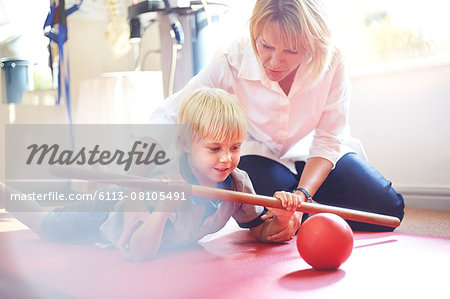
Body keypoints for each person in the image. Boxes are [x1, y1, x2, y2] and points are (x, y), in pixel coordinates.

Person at [149, 0, 405, 231]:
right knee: (270, 209)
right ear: (255, 34)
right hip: (260, 154)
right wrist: (159, 167)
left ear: (311, 45)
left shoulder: (333, 59)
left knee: (387, 207)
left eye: (291, 51)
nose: (273, 61)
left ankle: (303, 211)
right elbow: (172, 113)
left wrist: (302, 196)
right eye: (266, 45)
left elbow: (328, 139)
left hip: (314, 151)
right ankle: (298, 213)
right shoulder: (231, 58)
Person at [0, 87, 304, 262]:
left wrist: (279, 218)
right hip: (106, 213)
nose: (227, 158)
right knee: (44, 224)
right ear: (185, 144)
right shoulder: (163, 181)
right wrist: (163, 209)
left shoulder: (238, 182)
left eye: (235, 147)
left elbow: (257, 230)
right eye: (214, 148)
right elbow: (140, 254)